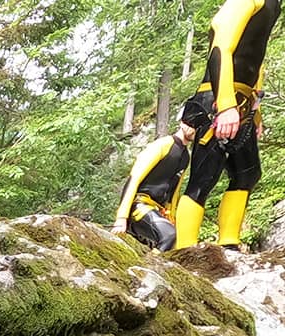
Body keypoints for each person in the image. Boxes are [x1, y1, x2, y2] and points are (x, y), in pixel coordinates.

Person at [174, 0, 280, 249]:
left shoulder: (272, 5)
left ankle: (229, 242)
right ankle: (185, 249)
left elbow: (257, 58)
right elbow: (221, 43)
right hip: (216, 100)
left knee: (247, 173)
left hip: (241, 104)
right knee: (203, 179)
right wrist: (225, 105)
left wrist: (256, 112)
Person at [112, 118, 196, 251]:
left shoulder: (186, 157)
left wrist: (170, 216)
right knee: (169, 235)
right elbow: (134, 178)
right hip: (139, 206)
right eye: (191, 124)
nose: (194, 129)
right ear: (181, 123)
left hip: (157, 210)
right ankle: (153, 266)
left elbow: (174, 192)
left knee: (174, 238)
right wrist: (122, 217)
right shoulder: (162, 145)